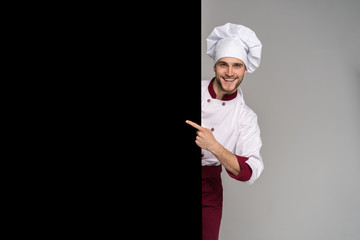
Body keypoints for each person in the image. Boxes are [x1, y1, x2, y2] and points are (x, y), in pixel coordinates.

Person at [186, 23, 264, 240]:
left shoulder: (245, 117)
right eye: (223, 65)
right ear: (214, 66)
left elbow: (251, 170)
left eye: (237, 66)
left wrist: (215, 147)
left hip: (208, 188)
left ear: (245, 69)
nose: (230, 73)